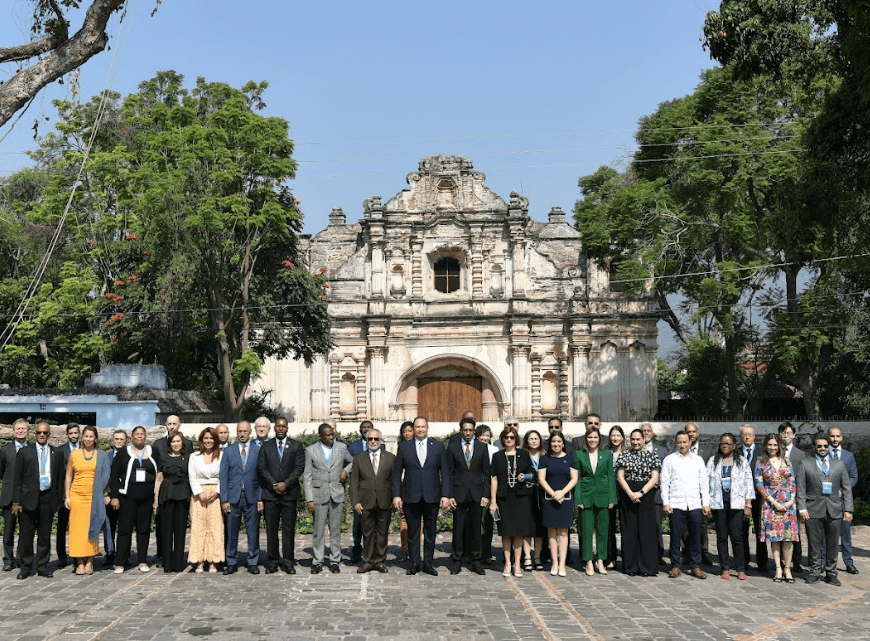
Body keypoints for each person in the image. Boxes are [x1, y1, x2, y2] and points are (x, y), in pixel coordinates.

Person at [392, 416, 450, 576]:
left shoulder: (437, 447)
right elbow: (397, 473)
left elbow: (445, 472)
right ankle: (414, 563)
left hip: (432, 496)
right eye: (417, 427)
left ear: (427, 428)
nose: (420, 429)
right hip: (411, 495)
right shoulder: (405, 447)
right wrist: (396, 495)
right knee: (413, 532)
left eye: (423, 427)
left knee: (430, 533)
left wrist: (446, 494)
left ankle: (428, 564)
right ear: (413, 428)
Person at [797, 433, 854, 586]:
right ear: (814, 447)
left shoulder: (838, 464)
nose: (822, 448)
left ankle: (831, 573)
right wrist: (802, 508)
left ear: (829, 447)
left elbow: (846, 488)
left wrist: (848, 509)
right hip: (812, 509)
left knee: (833, 544)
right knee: (814, 543)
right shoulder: (805, 463)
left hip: (834, 509)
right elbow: (801, 488)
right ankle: (815, 571)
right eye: (819, 446)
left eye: (825, 446)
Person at [11, 421, 64, 579]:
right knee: (26, 535)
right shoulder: (25, 452)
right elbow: (17, 479)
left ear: (49, 434)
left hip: (48, 498)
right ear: (35, 434)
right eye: (39, 432)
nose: (42, 435)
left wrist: (59, 500)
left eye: (45, 433)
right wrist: (16, 502)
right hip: (28, 498)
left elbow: (60, 479)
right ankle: (26, 567)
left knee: (45, 534)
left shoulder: (57, 453)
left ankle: (42, 566)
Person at [257, 416, 305, 574]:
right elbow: (262, 468)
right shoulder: (266, 446)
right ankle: (272, 561)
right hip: (270, 495)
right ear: (274, 428)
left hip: (289, 494)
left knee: (288, 530)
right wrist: (274, 485)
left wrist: (286, 484)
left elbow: (299, 468)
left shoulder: (296, 445)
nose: (281, 428)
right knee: (271, 530)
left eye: (283, 426)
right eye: (278, 426)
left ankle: (288, 561)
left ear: (287, 428)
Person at [304, 423, 353, 574]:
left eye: (332, 434)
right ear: (321, 436)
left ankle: (334, 560)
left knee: (335, 530)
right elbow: (307, 476)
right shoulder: (311, 450)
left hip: (336, 493)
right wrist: (309, 499)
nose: (331, 437)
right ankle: (317, 561)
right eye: (328, 435)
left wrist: (346, 471)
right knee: (318, 531)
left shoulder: (341, 448)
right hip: (319, 494)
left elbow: (353, 461)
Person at [661, 430, 711, 579]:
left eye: (685, 442)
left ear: (690, 442)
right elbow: (664, 482)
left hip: (694, 504)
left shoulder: (698, 460)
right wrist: (666, 502)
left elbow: (704, 483)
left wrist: (705, 503)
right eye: (679, 442)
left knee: (696, 536)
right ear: (676, 443)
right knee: (675, 536)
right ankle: (676, 565)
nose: (682, 445)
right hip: (676, 503)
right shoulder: (670, 460)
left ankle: (696, 566)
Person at [110, 425, 158, 574]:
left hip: (147, 497)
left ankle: (142, 561)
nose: (139, 436)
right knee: (125, 530)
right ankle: (120, 562)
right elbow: (114, 476)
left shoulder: (153, 451)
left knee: (143, 530)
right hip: (127, 498)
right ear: (132, 437)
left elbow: (159, 474)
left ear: (145, 436)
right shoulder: (123, 453)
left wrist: (156, 497)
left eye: (142, 434)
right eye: (137, 434)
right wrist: (114, 496)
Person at [445, 416, 490, 575]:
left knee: (476, 530)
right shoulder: (453, 447)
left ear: (474, 431)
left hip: (477, 494)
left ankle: (477, 561)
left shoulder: (482, 447)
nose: (468, 433)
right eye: (465, 430)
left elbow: (486, 473)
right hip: (459, 494)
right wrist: (450, 495)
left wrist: (485, 494)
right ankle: (457, 560)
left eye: (471, 430)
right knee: (458, 529)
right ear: (461, 431)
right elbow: (449, 473)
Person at [65, 425, 111, 575]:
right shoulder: (74, 454)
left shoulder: (101, 455)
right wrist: (67, 496)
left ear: (96, 438)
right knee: (77, 530)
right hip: (77, 496)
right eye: (86, 436)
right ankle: (79, 562)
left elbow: (105, 477)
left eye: (91, 436)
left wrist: (104, 495)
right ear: (82, 437)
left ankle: (90, 561)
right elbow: (68, 476)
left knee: (92, 529)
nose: (88, 439)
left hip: (94, 497)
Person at [706, 432, 753, 580]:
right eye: (722, 443)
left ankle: (740, 568)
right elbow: (706, 483)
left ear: (734, 446)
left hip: (737, 504)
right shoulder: (713, 461)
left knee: (737, 536)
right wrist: (706, 503)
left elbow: (749, 483)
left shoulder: (741, 461)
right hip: (718, 503)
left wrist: (748, 505)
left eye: (727, 444)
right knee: (721, 536)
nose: (724, 446)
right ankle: (725, 567)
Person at [753, 433, 798, 583]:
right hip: (770, 504)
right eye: (770, 444)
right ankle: (778, 567)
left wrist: (791, 501)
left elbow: (792, 482)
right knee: (775, 538)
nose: (772, 447)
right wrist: (773, 502)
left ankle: (787, 568)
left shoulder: (786, 461)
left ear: (779, 446)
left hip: (788, 504)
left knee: (788, 538)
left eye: (775, 445)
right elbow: (759, 485)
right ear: (766, 446)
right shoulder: (760, 462)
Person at [492, 426, 536, 577]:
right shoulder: (497, 456)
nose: (509, 440)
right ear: (502, 439)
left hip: (521, 497)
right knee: (506, 532)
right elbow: (494, 478)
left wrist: (525, 476)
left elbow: (532, 472)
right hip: (504, 498)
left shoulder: (523, 454)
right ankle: (507, 563)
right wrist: (493, 501)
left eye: (512, 437)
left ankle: (517, 563)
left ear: (516, 439)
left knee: (518, 533)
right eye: (506, 437)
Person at [219, 421, 262, 575]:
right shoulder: (229, 451)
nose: (242, 434)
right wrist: (224, 499)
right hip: (233, 497)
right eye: (239, 431)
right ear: (236, 433)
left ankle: (253, 561)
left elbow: (261, 476)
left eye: (245, 431)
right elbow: (223, 476)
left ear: (250, 432)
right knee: (232, 531)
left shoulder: (258, 450)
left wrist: (260, 498)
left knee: (253, 531)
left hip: (252, 496)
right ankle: (231, 561)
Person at [616, 428, 660, 577]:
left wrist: (641, 492)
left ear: (643, 439)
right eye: (633, 439)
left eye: (638, 439)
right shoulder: (624, 454)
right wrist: (630, 494)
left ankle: (647, 566)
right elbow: (620, 476)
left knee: (646, 530)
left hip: (646, 494)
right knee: (629, 530)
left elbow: (654, 477)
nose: (635, 442)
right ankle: (631, 566)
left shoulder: (651, 455)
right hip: (628, 494)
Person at [350, 428, 395, 573]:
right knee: (367, 533)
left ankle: (380, 561)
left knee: (382, 533)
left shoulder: (390, 457)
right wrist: (355, 501)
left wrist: (395, 498)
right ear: (366, 441)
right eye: (370, 439)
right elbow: (354, 482)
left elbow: (395, 481)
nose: (373, 442)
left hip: (384, 500)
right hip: (365, 502)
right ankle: (368, 561)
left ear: (380, 441)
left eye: (376, 439)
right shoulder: (359, 458)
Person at [151, 415, 192, 567]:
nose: (172, 426)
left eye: (175, 423)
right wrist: (156, 500)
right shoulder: (159, 447)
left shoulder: (189, 452)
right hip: (166, 494)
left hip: (182, 493)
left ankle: (178, 562)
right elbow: (158, 477)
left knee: (180, 529)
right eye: (169, 424)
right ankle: (165, 560)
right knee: (165, 529)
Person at [576, 427, 616, 576]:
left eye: (595, 437)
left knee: (602, 531)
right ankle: (588, 561)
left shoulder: (606, 454)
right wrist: (578, 498)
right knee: (586, 531)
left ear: (600, 439)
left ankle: (600, 560)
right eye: (590, 437)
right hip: (586, 496)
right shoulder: (580, 454)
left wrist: (612, 498)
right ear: (585, 439)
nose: (592, 440)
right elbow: (577, 477)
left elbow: (610, 476)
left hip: (603, 496)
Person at [537, 431, 578, 577]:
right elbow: (541, 479)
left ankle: (562, 564)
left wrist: (562, 493)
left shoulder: (570, 459)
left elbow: (574, 479)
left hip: (565, 499)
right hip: (549, 499)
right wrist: (553, 494)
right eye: (553, 442)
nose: (556, 444)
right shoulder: (544, 459)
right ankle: (554, 562)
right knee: (552, 532)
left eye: (559, 442)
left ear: (563, 443)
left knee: (564, 532)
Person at [188, 427, 224, 573]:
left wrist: (217, 492)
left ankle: (213, 561)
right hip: (199, 495)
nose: (208, 441)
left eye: (211, 438)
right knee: (198, 527)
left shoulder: (221, 455)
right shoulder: (194, 456)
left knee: (215, 527)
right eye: (206, 438)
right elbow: (192, 476)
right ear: (201, 440)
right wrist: (199, 493)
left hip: (215, 494)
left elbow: (224, 476)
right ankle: (199, 561)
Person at [347, 420, 382, 563]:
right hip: (360, 489)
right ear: (360, 430)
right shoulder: (352, 446)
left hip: (376, 491)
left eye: (369, 427)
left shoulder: (381, 445)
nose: (366, 429)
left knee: (375, 524)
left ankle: (373, 551)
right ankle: (357, 549)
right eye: (364, 428)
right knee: (358, 524)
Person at [827, 426, 859, 575]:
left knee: (845, 533)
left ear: (842, 437)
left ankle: (848, 562)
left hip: (843, 500)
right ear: (828, 437)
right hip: (827, 499)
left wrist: (843, 490)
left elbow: (854, 477)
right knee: (826, 534)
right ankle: (824, 561)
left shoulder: (848, 456)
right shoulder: (823, 454)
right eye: (832, 436)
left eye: (837, 436)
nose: (835, 439)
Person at [739, 423, 768, 572]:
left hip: (759, 496)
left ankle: (762, 562)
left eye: (749, 434)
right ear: (740, 437)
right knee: (742, 530)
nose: (747, 437)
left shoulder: (762, 453)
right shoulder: (736, 452)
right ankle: (743, 561)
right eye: (744, 434)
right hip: (741, 497)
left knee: (760, 530)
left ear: (754, 436)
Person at [682, 422, 712, 565]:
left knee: (702, 524)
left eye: (693, 431)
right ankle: (686, 552)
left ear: (698, 434)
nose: (691, 434)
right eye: (688, 431)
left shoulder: (707, 451)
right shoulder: (679, 451)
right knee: (685, 525)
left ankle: (703, 552)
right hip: (685, 493)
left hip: (701, 494)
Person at [778, 421, 806, 574]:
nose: (786, 435)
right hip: (778, 498)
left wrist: (797, 499)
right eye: (783, 432)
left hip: (794, 498)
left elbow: (802, 479)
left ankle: (797, 562)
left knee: (794, 532)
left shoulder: (801, 455)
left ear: (794, 435)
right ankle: (781, 562)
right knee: (779, 531)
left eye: (789, 432)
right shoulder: (774, 452)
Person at [1, 418, 29, 572]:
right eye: (18, 428)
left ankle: (20, 558)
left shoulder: (32, 448)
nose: (20, 431)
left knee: (25, 531)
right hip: (9, 497)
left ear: (28, 431)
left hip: (26, 497)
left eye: (23, 428)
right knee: (8, 531)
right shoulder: (5, 449)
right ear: (13, 431)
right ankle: (8, 559)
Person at [641, 421, 668, 565]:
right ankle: (643, 553)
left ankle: (658, 554)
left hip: (657, 493)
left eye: (648, 431)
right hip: (640, 492)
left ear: (653, 433)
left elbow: (666, 472)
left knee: (657, 525)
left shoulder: (662, 451)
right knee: (642, 525)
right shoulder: (634, 449)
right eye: (643, 431)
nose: (646, 433)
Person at [55, 422, 80, 568]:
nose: (73, 436)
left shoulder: (85, 449)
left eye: (76, 433)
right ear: (67, 434)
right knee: (62, 526)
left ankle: (77, 555)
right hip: (65, 494)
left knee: (78, 526)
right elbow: (58, 474)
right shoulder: (60, 451)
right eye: (71, 433)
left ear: (79, 433)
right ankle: (62, 556)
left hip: (81, 492)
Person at [102, 429, 127, 569]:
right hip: (109, 496)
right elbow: (102, 477)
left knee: (125, 527)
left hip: (126, 497)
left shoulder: (130, 455)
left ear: (126, 441)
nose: (118, 441)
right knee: (109, 527)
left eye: (121, 439)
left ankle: (124, 555)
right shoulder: (106, 456)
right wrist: (106, 495)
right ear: (112, 440)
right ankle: (110, 554)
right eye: (116, 439)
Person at [522, 429, 545, 571]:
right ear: (526, 441)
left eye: (536, 438)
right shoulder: (522, 456)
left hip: (541, 495)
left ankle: (537, 557)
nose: (534, 441)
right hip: (526, 494)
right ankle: (527, 557)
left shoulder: (545, 456)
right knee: (527, 527)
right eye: (531, 439)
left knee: (539, 528)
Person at [476, 424, 499, 566]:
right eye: (482, 435)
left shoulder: (494, 450)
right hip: (474, 488)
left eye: (487, 435)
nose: (485, 438)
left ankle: (486, 553)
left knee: (487, 523)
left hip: (489, 489)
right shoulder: (473, 448)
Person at [605, 425, 626, 570]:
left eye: (618, 435)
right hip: (609, 494)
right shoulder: (605, 453)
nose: (615, 438)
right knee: (609, 528)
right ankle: (611, 558)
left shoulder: (628, 453)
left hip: (625, 494)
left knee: (626, 527)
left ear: (623, 437)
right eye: (613, 435)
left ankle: (627, 557)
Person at [395, 421, 415, 561]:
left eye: (409, 431)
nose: (407, 434)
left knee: (418, 521)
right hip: (405, 488)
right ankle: (405, 548)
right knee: (404, 519)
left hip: (418, 489)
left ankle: (415, 548)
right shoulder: (401, 447)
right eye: (404, 431)